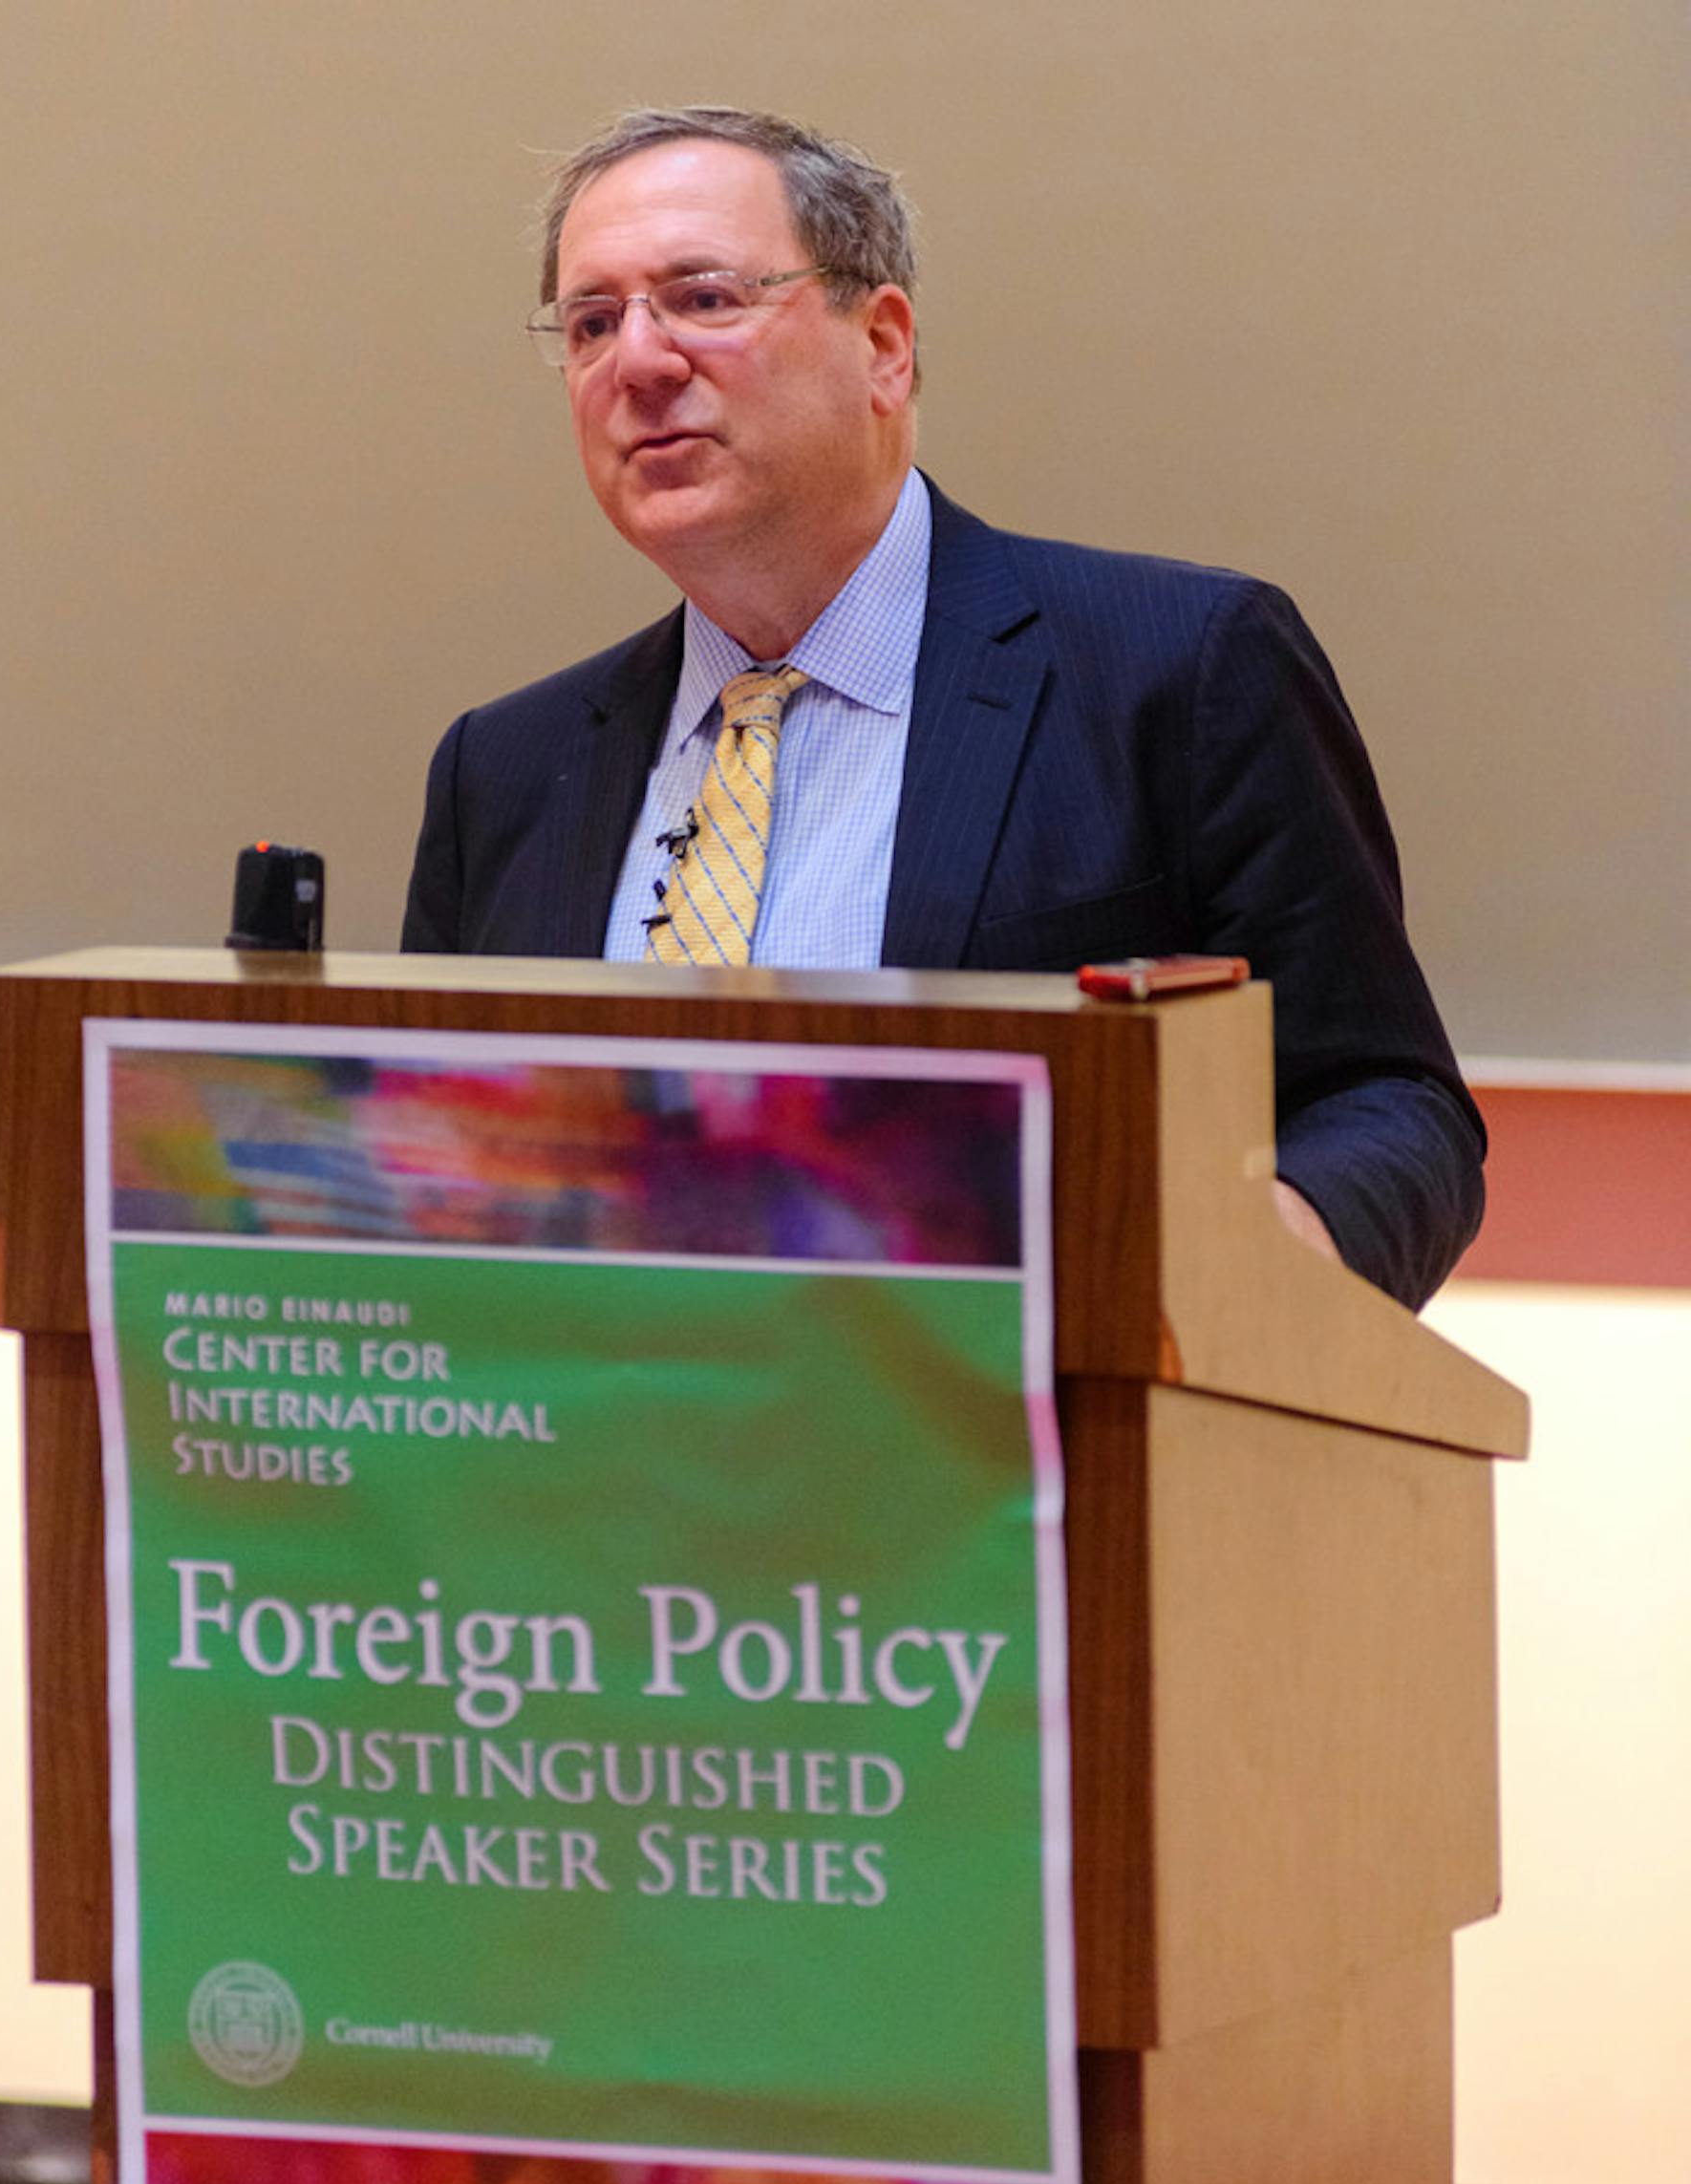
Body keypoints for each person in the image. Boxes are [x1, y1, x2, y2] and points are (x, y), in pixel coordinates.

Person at [402, 105, 1484, 1310]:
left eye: (703, 299)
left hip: (1028, 1461)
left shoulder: (1177, 670)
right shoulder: (501, 771)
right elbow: (436, 1173)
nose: (639, 363)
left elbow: (1389, 1106)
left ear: (884, 345)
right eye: (593, 322)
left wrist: (1243, 1267)